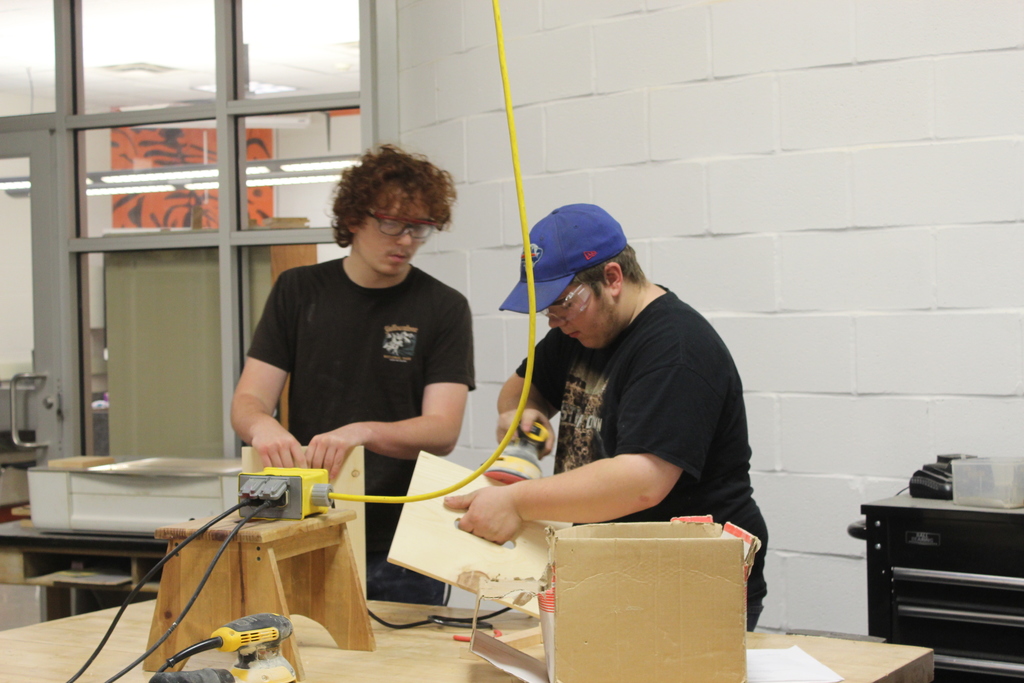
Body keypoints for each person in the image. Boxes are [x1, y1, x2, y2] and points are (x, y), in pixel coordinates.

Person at [444, 203, 768, 629]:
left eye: (562, 306)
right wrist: (522, 414)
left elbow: (642, 482)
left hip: (689, 583)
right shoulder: (581, 328)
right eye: (548, 312)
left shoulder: (677, 349)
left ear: (612, 278)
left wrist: (515, 502)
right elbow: (520, 389)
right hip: (607, 573)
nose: (555, 322)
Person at [231, 145, 474, 605]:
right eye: (391, 223)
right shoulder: (298, 292)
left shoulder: (443, 307)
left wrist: (361, 432)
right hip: (306, 522)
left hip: (402, 539)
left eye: (419, 228)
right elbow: (248, 402)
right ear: (355, 218)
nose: (404, 240)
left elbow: (442, 430)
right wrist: (263, 427)